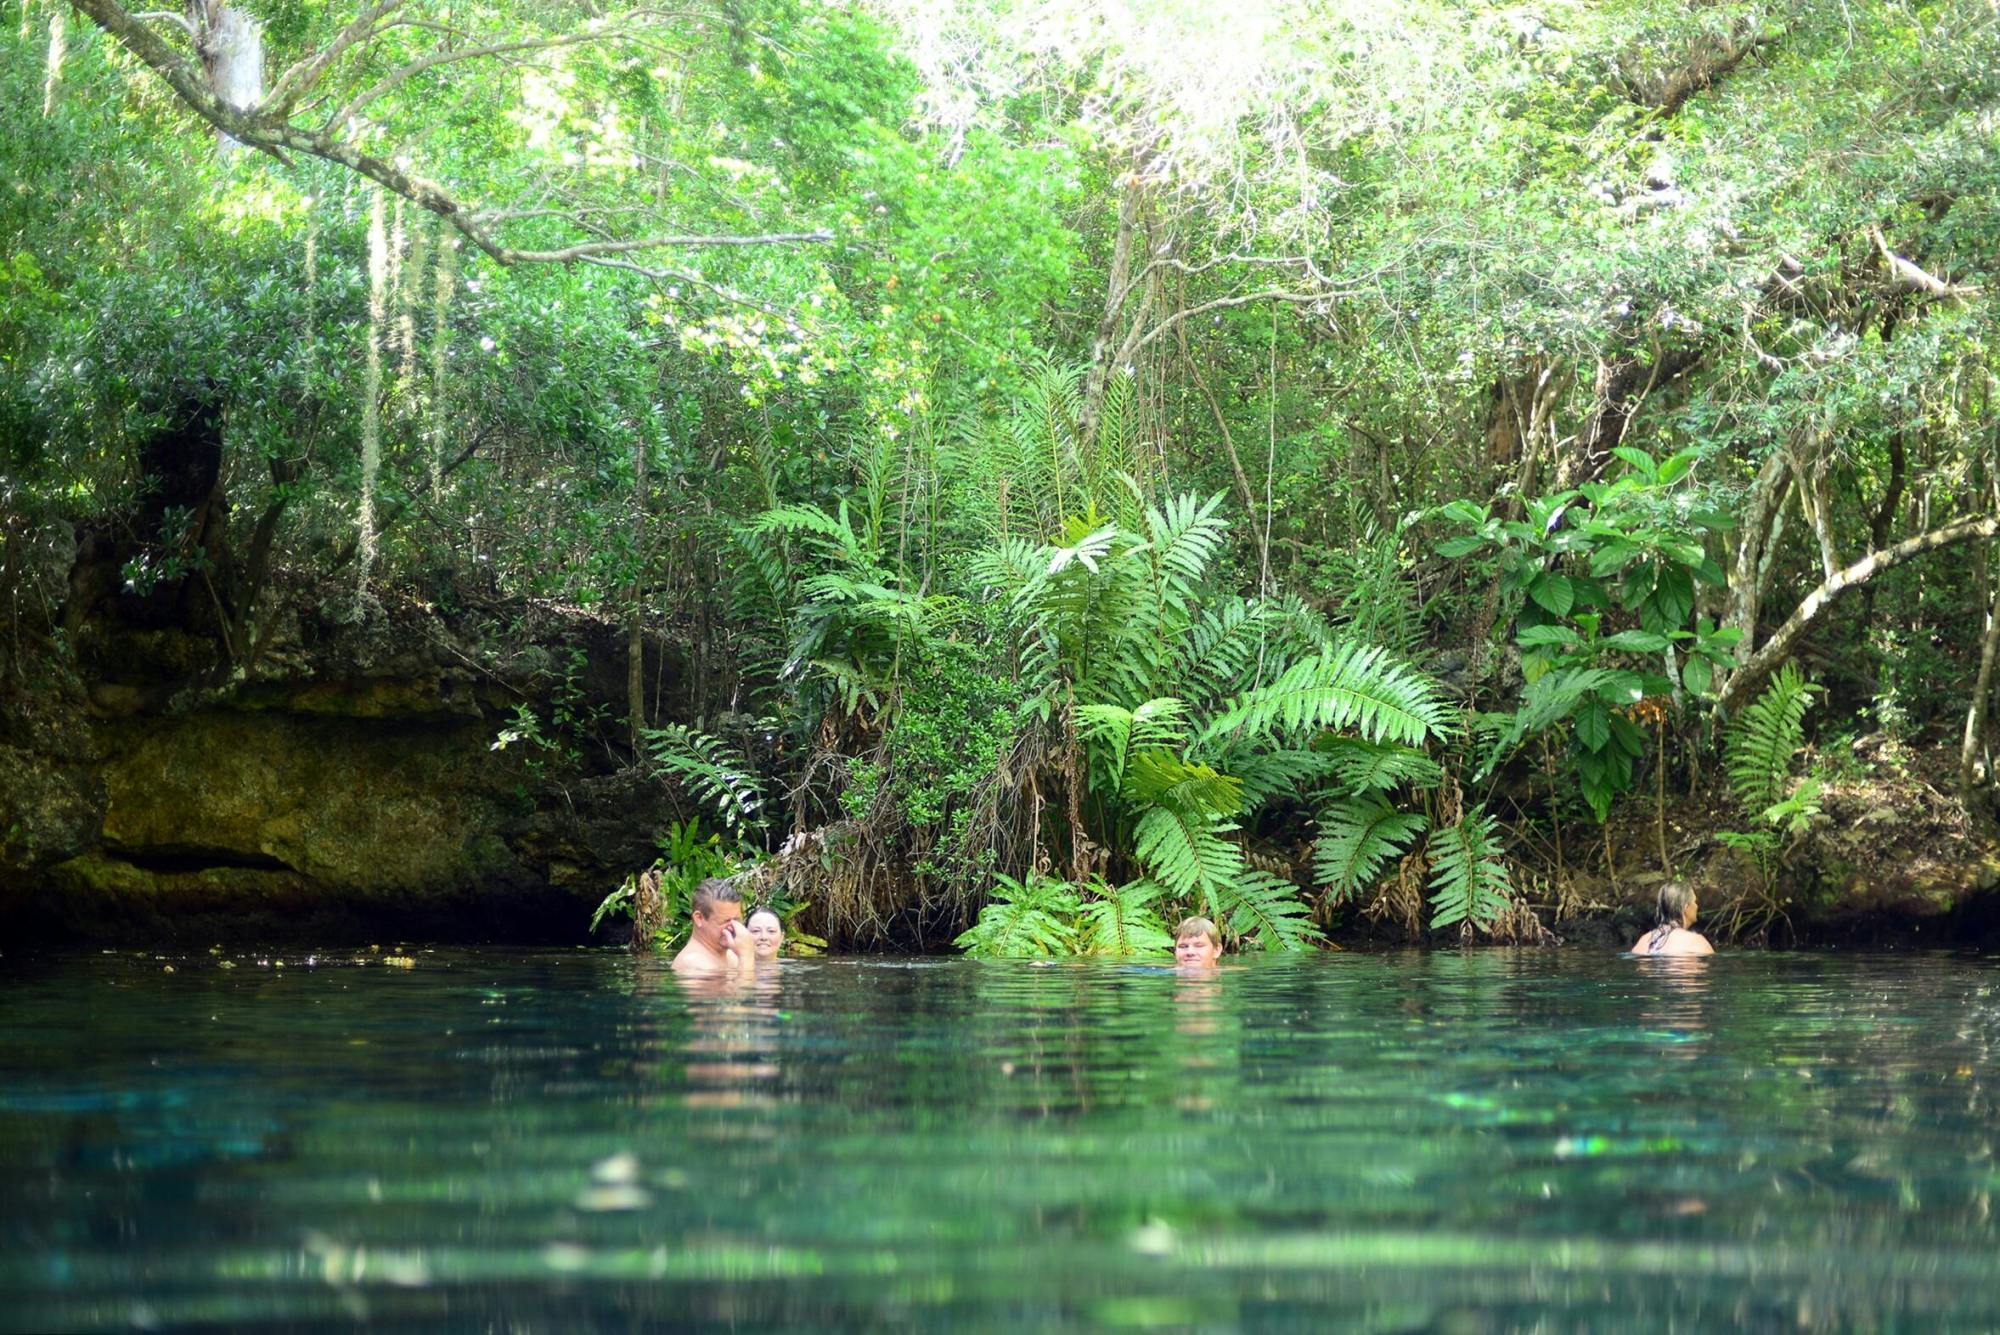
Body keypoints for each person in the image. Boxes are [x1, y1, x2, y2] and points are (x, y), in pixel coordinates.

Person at [672, 877, 757, 977]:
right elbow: (744, 992)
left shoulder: (732, 955)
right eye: (725, 921)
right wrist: (746, 955)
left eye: (737, 920)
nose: (732, 927)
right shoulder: (694, 964)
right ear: (699, 918)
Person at [1629, 880, 1714, 957]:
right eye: (1695, 902)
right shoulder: (1695, 942)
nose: (1697, 906)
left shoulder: (1643, 941)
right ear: (1686, 907)